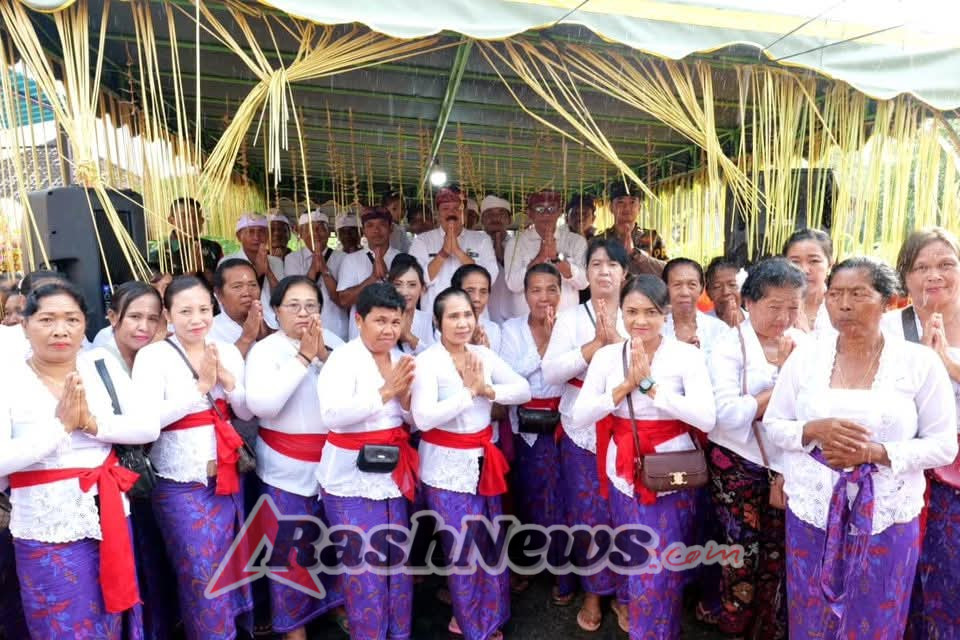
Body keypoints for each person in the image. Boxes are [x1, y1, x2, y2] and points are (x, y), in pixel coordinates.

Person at [764, 257, 957, 639]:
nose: (844, 304)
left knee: (877, 613)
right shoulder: (806, 358)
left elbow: (943, 446)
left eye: (858, 294)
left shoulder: (918, 363)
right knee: (812, 614)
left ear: (888, 301)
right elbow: (774, 425)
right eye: (835, 294)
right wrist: (813, 429)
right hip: (812, 509)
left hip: (887, 512)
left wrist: (874, 453)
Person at [0, 280, 160, 639]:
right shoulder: (7, 378)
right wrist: (59, 428)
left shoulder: (101, 365)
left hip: (109, 514)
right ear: (25, 325)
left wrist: (90, 424)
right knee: (59, 621)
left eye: (71, 319)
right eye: (47, 320)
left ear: (84, 325)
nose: (61, 330)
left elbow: (147, 426)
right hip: (44, 525)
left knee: (110, 617)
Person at [572, 275, 716, 640]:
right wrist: (622, 388)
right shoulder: (607, 357)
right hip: (624, 471)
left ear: (665, 313)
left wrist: (652, 387)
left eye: (650, 312)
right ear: (620, 313)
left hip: (672, 473)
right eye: (632, 311)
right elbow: (580, 415)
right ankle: (641, 619)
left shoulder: (686, 355)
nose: (640, 321)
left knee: (661, 566)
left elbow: (706, 418)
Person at [132, 275, 256, 640]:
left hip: (229, 479)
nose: (196, 319)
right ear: (168, 315)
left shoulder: (227, 350)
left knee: (232, 569)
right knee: (201, 573)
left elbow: (248, 414)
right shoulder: (153, 356)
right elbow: (147, 422)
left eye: (203, 309)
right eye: (185, 311)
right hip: (181, 485)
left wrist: (230, 384)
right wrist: (200, 386)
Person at [411, 287, 531, 640]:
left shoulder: (482, 355)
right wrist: (468, 393)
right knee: (462, 550)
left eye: (468, 315)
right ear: (438, 321)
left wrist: (489, 390)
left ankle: (489, 616)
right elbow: (423, 418)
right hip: (445, 469)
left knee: (489, 543)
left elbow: (522, 390)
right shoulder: (428, 361)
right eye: (453, 316)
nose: (463, 323)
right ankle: (471, 623)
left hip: (483, 463)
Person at [705, 258, 806, 639]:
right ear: (749, 302)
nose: (784, 317)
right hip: (737, 463)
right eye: (774, 306)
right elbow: (728, 415)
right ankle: (735, 625)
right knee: (741, 552)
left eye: (793, 306)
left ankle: (772, 626)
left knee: (781, 550)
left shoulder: (807, 346)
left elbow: (811, 410)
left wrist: (764, 401)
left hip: (787, 465)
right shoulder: (728, 346)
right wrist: (780, 386)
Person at [315, 282, 418, 640]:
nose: (388, 330)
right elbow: (331, 415)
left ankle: (398, 632)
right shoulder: (343, 358)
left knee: (397, 562)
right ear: (359, 320)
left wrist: (404, 402)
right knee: (362, 567)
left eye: (394, 321)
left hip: (392, 472)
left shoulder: (403, 356)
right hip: (349, 478)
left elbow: (412, 420)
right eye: (380, 321)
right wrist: (386, 392)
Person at [245, 276, 347, 639]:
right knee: (290, 551)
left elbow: (355, 388)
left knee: (334, 543)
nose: (304, 313)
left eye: (312, 305)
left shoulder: (334, 343)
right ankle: (294, 627)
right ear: (275, 312)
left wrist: (323, 355)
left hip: (334, 464)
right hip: (284, 467)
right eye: (294, 305)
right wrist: (304, 357)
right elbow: (262, 406)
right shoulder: (265, 351)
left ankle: (336, 605)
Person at [541, 237, 630, 631]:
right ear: (585, 273)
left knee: (626, 513)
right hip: (580, 428)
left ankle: (626, 595)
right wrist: (595, 346)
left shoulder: (637, 312)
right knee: (588, 515)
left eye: (612, 264)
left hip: (628, 426)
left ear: (624, 273)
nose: (605, 271)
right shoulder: (571, 318)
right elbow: (550, 372)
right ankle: (594, 592)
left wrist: (622, 346)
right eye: (596, 264)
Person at [880, 228, 960, 638]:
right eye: (922, 266)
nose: (935, 275)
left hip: (956, 470)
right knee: (902, 569)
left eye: (946, 264)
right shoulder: (889, 328)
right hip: (902, 462)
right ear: (904, 276)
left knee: (951, 569)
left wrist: (946, 365)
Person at [499, 262, 575, 604]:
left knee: (563, 499)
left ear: (561, 292)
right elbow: (510, 375)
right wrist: (543, 346)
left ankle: (564, 570)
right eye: (536, 290)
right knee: (528, 496)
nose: (544, 297)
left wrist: (555, 338)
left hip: (565, 423)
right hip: (526, 425)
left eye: (551, 289)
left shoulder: (571, 326)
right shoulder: (511, 329)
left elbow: (576, 369)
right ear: (524, 294)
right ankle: (528, 564)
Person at [409, 186, 499, 316]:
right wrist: (443, 254)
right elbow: (416, 280)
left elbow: (489, 278)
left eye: (457, 208)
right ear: (438, 214)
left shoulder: (482, 240)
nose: (451, 213)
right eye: (445, 209)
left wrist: (458, 252)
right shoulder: (422, 241)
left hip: (473, 317)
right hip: (434, 317)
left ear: (465, 213)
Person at [504, 190, 588, 315]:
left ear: (560, 212)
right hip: (527, 323)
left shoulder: (575, 241)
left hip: (565, 323)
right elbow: (513, 284)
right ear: (529, 213)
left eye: (551, 208)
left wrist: (556, 259)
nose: (546, 214)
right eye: (539, 209)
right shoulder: (516, 243)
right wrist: (539, 258)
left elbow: (584, 282)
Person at [284, 206, 348, 341]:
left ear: (329, 231)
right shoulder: (292, 259)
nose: (316, 233)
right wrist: (313, 268)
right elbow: (296, 294)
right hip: (303, 329)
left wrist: (324, 269)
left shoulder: (342, 258)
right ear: (300, 233)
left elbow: (341, 299)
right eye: (309, 229)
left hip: (336, 328)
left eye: (320, 228)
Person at [337, 207, 400, 340]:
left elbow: (409, 298)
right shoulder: (351, 260)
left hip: (394, 336)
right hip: (360, 338)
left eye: (382, 225)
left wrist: (389, 278)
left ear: (391, 228)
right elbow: (344, 300)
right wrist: (372, 279)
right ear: (364, 231)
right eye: (370, 225)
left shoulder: (402, 258)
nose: (376, 230)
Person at [220, 213, 285, 330]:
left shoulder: (276, 262)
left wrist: (268, 271)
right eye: (251, 232)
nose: (256, 237)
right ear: (239, 236)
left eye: (261, 231)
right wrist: (258, 272)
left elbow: (281, 296)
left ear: (267, 235)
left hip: (274, 325)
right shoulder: (228, 262)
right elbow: (228, 298)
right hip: (239, 325)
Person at [148, 197, 224, 287]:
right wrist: (192, 272)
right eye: (184, 216)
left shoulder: (213, 247)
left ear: (202, 221)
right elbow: (160, 291)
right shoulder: (157, 254)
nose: (191, 222)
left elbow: (224, 285)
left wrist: (204, 270)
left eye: (195, 217)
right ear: (171, 220)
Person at [662, 258, 729, 358]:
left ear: (701, 288)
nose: (685, 292)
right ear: (665, 287)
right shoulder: (657, 329)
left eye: (692, 285)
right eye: (677, 285)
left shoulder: (719, 330)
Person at [597, 181, 666, 276]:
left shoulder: (652, 237)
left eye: (632, 202)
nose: (627, 207)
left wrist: (635, 254)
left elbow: (666, 271)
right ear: (611, 208)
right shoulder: (599, 240)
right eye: (620, 202)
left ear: (639, 208)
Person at [95, 281, 165, 373]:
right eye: (135, 316)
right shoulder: (90, 365)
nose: (144, 327)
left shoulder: (165, 361)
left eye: (152, 319)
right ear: (112, 317)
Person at [210, 258, 272, 356]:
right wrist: (246, 338)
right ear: (219, 294)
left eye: (253, 285)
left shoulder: (272, 319)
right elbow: (219, 368)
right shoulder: (209, 330)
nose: (247, 293)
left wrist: (267, 335)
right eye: (237, 286)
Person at [783, 228, 834, 333]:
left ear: (829, 265)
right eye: (795, 262)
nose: (804, 270)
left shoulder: (843, 308)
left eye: (814, 261)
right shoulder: (775, 308)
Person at [389, 253, 435, 354]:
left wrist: (409, 338)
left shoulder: (429, 321)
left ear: (423, 289)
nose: (405, 292)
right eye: (398, 284)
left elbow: (437, 360)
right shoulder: (381, 320)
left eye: (412, 285)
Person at [451, 264, 502, 353]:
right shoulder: (444, 327)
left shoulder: (493, 330)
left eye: (483, 291)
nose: (477, 298)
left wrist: (486, 353)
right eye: (470, 291)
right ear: (455, 292)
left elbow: (497, 366)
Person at [480, 195, 513, 323]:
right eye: (489, 214)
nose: (495, 218)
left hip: (514, 312)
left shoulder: (519, 245)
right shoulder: (475, 245)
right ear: (482, 219)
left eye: (501, 213)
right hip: (483, 314)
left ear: (510, 219)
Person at [705, 256, 747, 327]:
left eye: (732, 285)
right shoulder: (700, 326)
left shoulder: (757, 322)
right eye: (717, 287)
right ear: (708, 293)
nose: (726, 292)